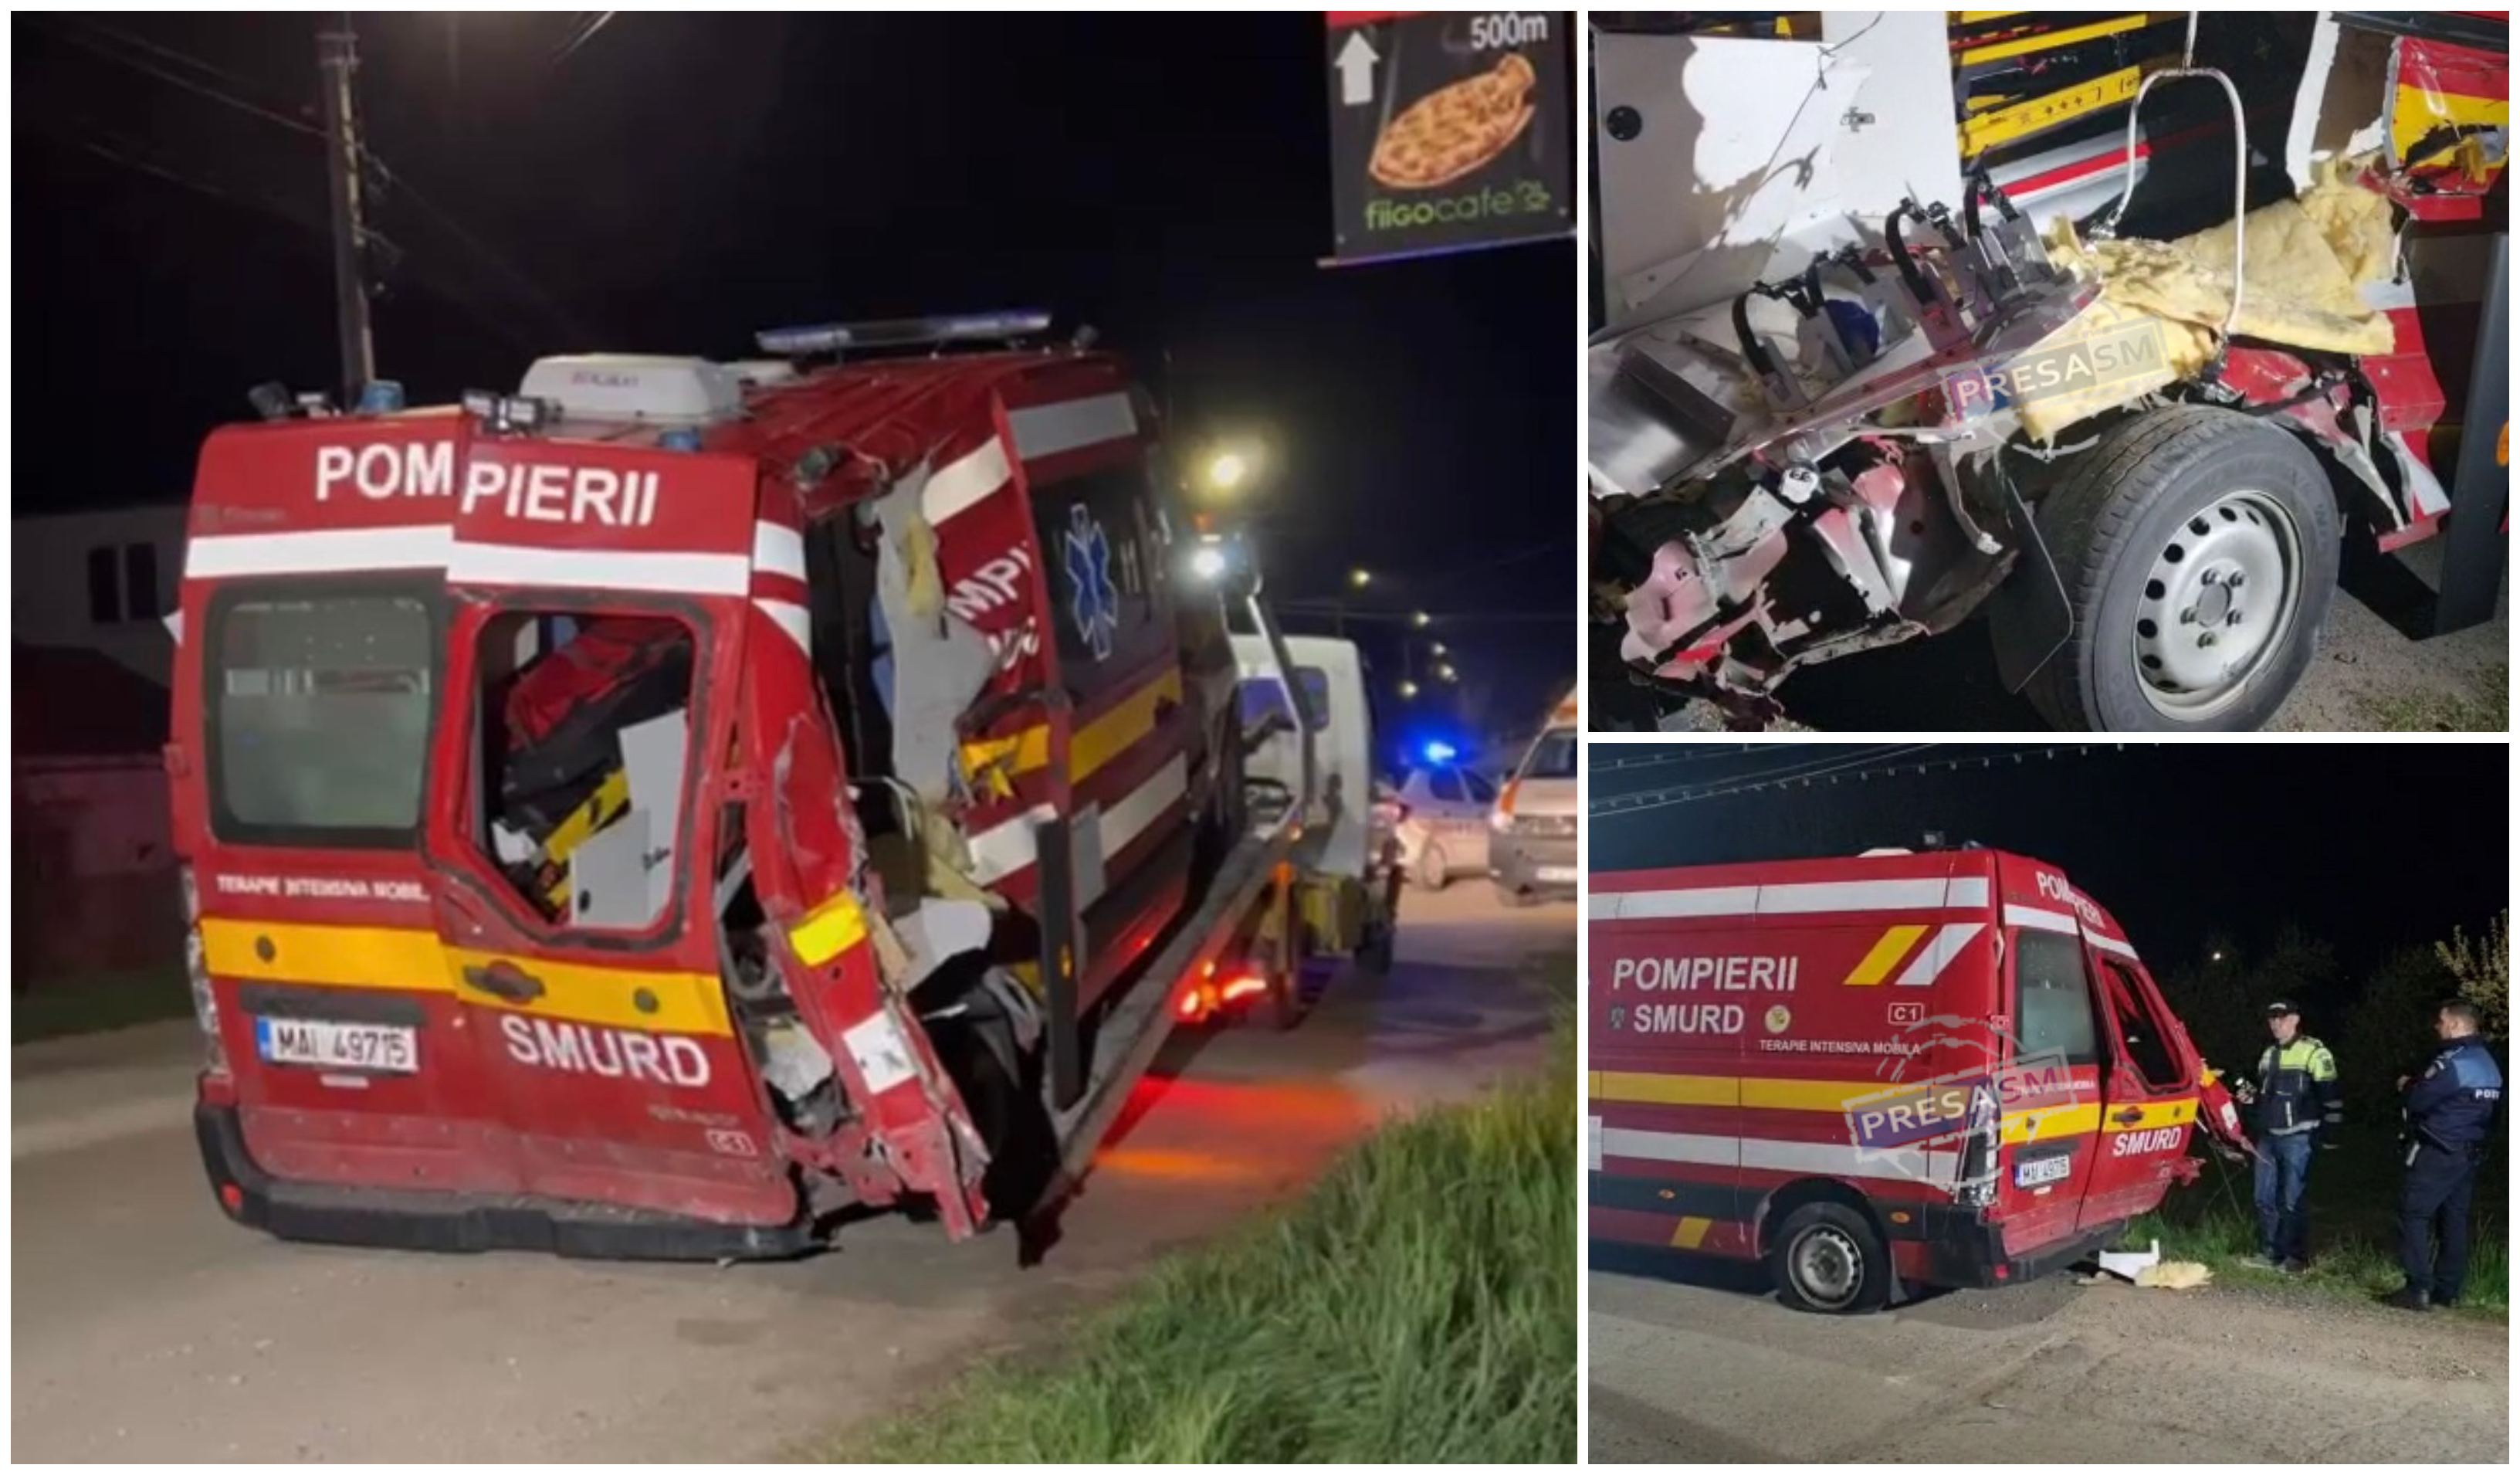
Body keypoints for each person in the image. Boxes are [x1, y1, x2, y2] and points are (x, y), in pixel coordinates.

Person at [2388, 999, 2504, 1311]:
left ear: (2455, 1024)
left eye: (2441, 1021)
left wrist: (2406, 1086)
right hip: (2470, 1151)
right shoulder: (2488, 1063)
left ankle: (2417, 1288)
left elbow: (2419, 1100)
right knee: (2454, 1219)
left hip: (2440, 1148)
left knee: (2412, 1212)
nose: (2437, 1026)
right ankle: (2447, 1290)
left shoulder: (2452, 1062)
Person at [2230, 999, 2342, 1272]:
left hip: (2298, 1138)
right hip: (2268, 1137)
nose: (2276, 1024)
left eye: (2281, 1018)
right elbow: (2263, 1094)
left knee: (2293, 1199)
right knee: (2263, 1197)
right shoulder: (2268, 1054)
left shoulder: (2315, 1052)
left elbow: (2332, 1096)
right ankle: (2270, 1253)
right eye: (2271, 1019)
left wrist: (2330, 1135)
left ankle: (2297, 1259)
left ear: (2295, 1019)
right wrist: (2250, 1097)